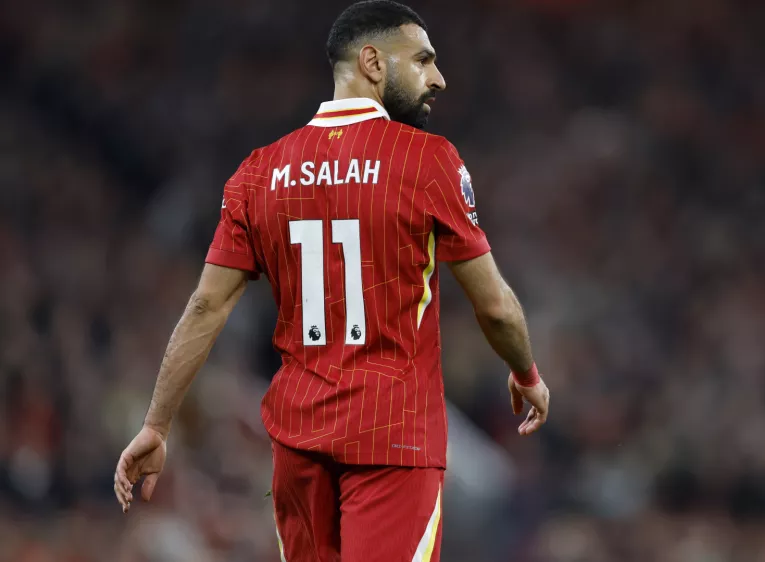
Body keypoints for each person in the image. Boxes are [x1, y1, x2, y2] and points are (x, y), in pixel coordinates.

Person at [111, 1, 550, 560]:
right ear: (371, 61)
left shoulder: (259, 171)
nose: (438, 78)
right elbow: (495, 309)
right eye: (423, 60)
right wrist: (526, 372)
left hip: (298, 447)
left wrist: (155, 425)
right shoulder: (427, 161)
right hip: (393, 440)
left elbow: (205, 308)